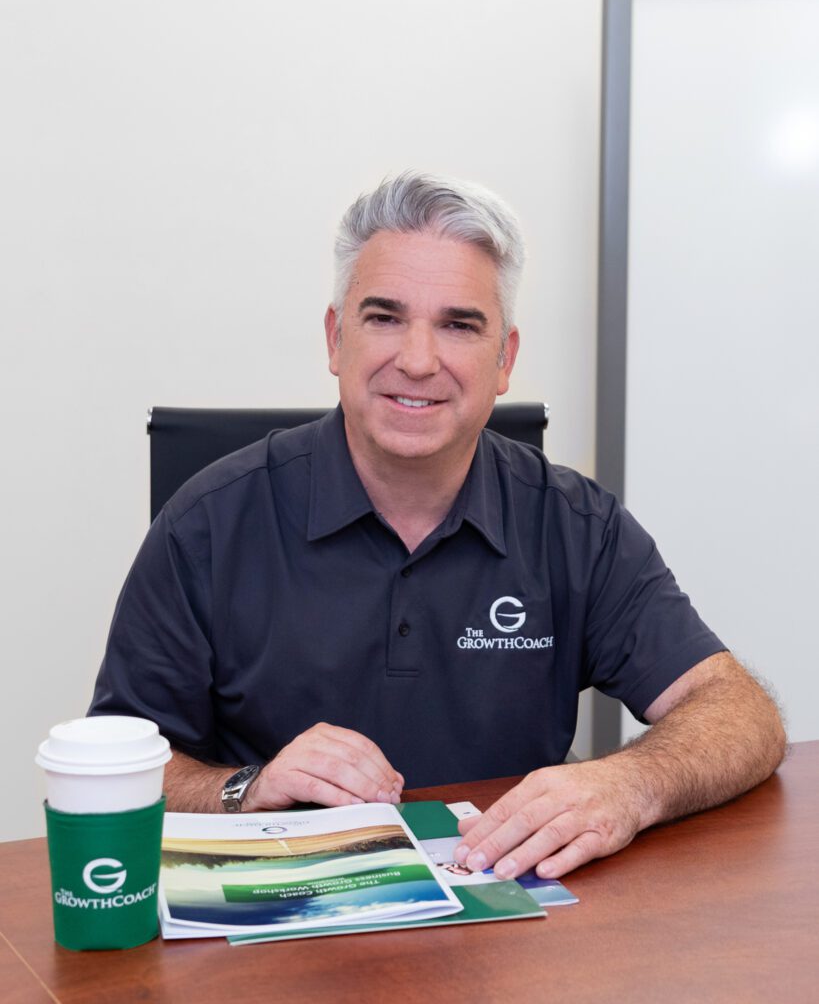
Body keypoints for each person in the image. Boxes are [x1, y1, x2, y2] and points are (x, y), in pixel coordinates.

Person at [89, 171, 785, 881]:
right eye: (383, 317)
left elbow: (738, 714)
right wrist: (246, 789)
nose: (417, 361)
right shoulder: (208, 522)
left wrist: (629, 784)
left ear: (504, 359)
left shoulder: (576, 524)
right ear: (336, 340)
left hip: (507, 930)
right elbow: (115, 769)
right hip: (278, 934)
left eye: (458, 325)